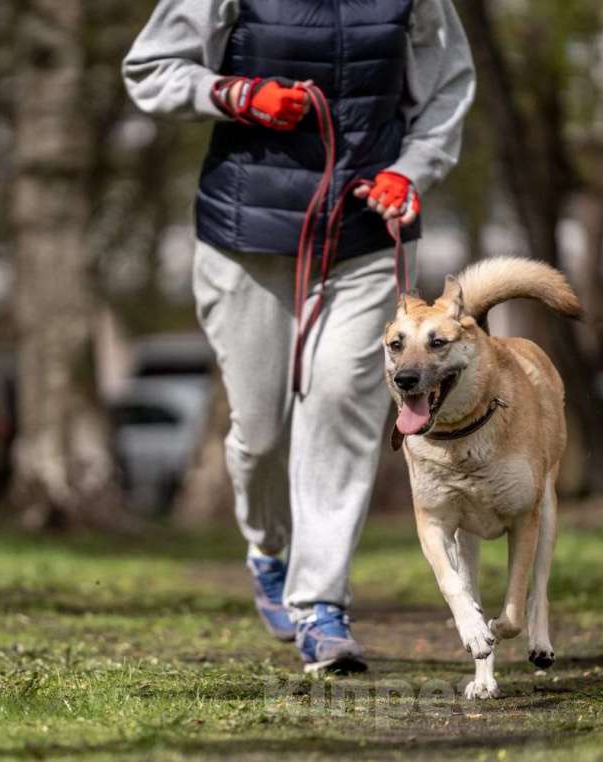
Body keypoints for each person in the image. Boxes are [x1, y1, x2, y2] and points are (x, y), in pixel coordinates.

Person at [123, 0, 474, 673]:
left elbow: (448, 87)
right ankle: (267, 549)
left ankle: (321, 609)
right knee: (260, 431)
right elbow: (149, 69)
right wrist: (234, 94)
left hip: (367, 237)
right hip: (246, 241)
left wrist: (413, 170)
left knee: (343, 403)